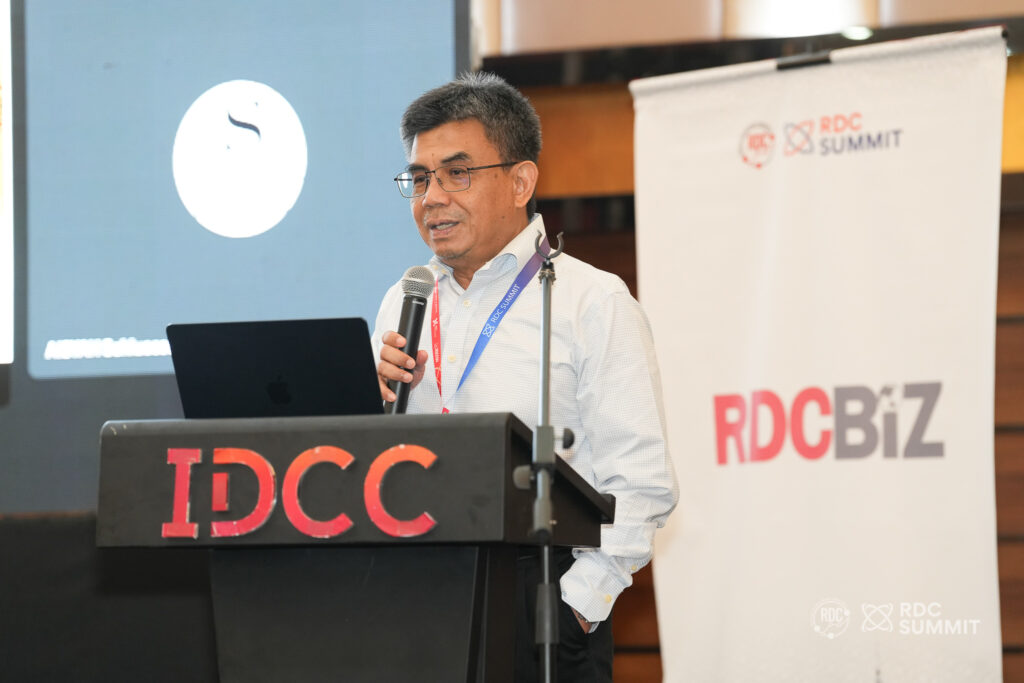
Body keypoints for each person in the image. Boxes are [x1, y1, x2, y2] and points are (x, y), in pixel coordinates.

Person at [373, 72, 677, 683]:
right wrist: (378, 410)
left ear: (520, 182)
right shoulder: (404, 300)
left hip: (541, 593)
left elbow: (642, 480)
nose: (432, 198)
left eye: (457, 173)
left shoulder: (590, 300)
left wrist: (576, 607)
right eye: (420, 178)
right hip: (419, 594)